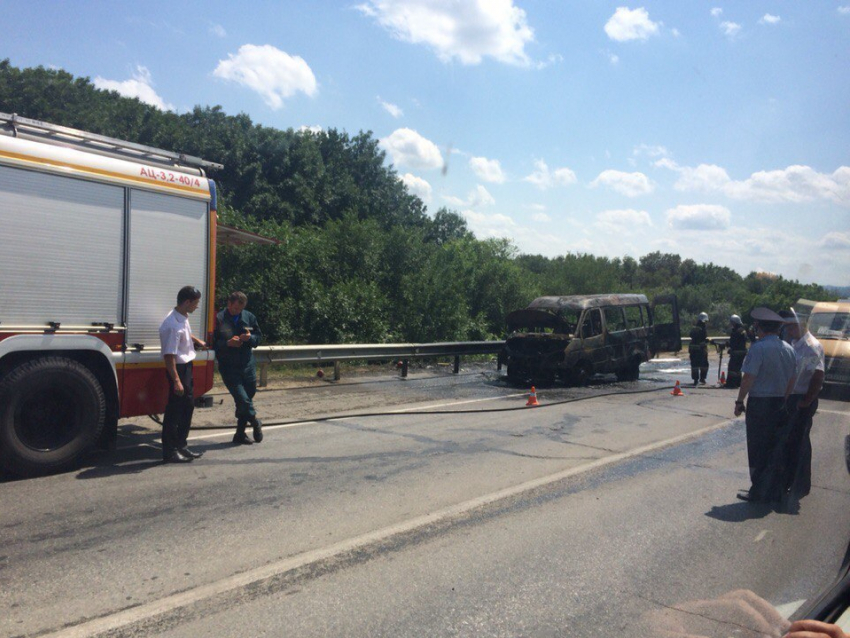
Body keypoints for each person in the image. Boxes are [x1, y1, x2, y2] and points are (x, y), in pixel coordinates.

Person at [733, 308, 797, 504]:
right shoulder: (789, 348)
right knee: (775, 448)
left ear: (760, 327)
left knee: (758, 449)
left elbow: (748, 378)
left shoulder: (758, 348)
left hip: (760, 404)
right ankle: (774, 490)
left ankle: (758, 491)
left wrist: (739, 401)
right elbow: (792, 379)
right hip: (779, 403)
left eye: (757, 325)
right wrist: (783, 400)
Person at [779, 308, 825, 500]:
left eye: (792, 326)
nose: (789, 330)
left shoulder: (810, 345)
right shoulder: (795, 342)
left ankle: (800, 485)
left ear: (802, 324)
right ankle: (791, 482)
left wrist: (807, 400)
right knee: (792, 442)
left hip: (802, 397)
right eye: (787, 326)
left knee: (800, 443)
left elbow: (818, 374)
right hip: (793, 397)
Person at [159, 285, 207, 463]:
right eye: (195, 303)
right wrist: (176, 381)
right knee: (175, 411)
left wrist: (196, 340)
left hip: (186, 367)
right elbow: (169, 356)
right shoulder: (172, 325)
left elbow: (184, 335)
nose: (197, 306)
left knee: (188, 407)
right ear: (187, 302)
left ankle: (181, 445)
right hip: (177, 370)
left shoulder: (182, 317)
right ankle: (170, 451)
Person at [213, 291, 264, 445]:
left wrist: (250, 339)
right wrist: (227, 343)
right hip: (229, 366)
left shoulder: (249, 317)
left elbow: (258, 338)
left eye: (240, 309)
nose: (238, 312)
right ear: (229, 304)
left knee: (247, 397)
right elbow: (212, 343)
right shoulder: (219, 319)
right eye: (235, 309)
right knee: (242, 398)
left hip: (247, 364)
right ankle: (255, 421)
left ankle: (239, 434)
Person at [725, 314, 748, 389]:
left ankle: (731, 383)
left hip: (736, 352)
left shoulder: (736, 331)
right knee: (738, 368)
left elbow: (734, 342)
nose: (731, 323)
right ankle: (738, 382)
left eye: (732, 322)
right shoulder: (742, 330)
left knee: (732, 368)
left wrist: (728, 345)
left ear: (734, 322)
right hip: (742, 352)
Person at [688, 312, 710, 386]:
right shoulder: (703, 329)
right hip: (700, 350)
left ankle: (695, 380)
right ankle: (702, 378)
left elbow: (691, 336)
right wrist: (708, 341)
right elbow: (703, 340)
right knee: (704, 365)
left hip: (693, 350)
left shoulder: (694, 328)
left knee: (694, 365)